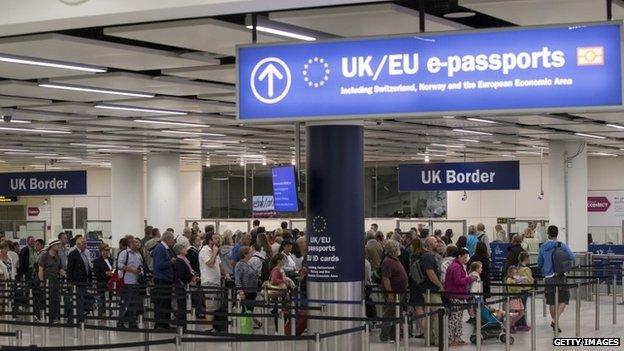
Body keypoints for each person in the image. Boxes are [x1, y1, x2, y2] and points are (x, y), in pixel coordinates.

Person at [538, 225, 575, 333]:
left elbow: (540, 262)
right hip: (561, 275)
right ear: (557, 233)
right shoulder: (562, 245)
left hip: (548, 277)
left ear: (548, 234)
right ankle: (555, 321)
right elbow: (572, 257)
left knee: (551, 302)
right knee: (564, 299)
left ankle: (555, 322)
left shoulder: (543, 247)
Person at [443, 248, 478, 346]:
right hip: (456, 295)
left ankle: (457, 337)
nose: (466, 259)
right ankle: (450, 338)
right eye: (465, 257)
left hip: (459, 294)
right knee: (455, 318)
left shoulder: (457, 265)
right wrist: (469, 279)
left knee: (458, 318)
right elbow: (458, 281)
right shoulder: (456, 267)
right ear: (459, 256)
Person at [379, 239, 408, 343]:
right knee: (389, 314)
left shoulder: (395, 259)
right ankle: (384, 335)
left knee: (397, 314)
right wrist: (390, 293)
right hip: (393, 293)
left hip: (400, 292)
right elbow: (386, 278)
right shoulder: (387, 261)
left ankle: (393, 335)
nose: (399, 249)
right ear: (393, 249)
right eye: (397, 247)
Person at [420, 236, 443, 345]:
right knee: (437, 315)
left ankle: (431, 339)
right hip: (431, 290)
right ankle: (437, 339)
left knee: (432, 316)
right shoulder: (428, 257)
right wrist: (440, 285)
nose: (437, 242)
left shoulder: (430, 256)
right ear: (428, 244)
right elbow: (430, 273)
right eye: (434, 241)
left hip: (431, 289)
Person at [117, 236, 143, 329]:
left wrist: (140, 270)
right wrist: (131, 269)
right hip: (127, 281)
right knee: (125, 303)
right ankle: (120, 322)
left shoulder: (138, 254)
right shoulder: (124, 253)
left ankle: (132, 322)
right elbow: (119, 265)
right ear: (130, 244)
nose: (138, 244)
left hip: (136, 282)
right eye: (135, 242)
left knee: (134, 303)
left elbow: (141, 265)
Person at [152, 231, 175, 329]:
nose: (173, 242)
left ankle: (165, 323)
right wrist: (171, 262)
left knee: (166, 302)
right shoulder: (160, 248)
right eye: (172, 240)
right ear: (168, 239)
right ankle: (160, 324)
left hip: (166, 279)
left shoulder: (165, 248)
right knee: (161, 302)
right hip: (161, 279)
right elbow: (159, 265)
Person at [199, 234, 222, 332]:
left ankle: (214, 326)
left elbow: (219, 264)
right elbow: (210, 264)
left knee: (215, 305)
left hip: (216, 281)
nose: (218, 240)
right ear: (209, 240)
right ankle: (209, 327)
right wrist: (215, 252)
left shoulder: (214, 251)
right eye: (215, 238)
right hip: (208, 281)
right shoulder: (204, 251)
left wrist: (226, 274)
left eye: (218, 238)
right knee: (210, 305)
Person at [67, 236, 92, 322]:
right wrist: (70, 282)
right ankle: (77, 319)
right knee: (78, 301)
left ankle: (77, 318)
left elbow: (87, 267)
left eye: (86, 243)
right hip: (76, 282)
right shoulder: (73, 254)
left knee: (80, 300)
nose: (86, 245)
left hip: (83, 282)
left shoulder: (84, 253)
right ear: (78, 244)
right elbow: (69, 269)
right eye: (84, 243)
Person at [38, 239, 64, 322]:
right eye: (57, 245)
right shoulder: (45, 256)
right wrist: (41, 282)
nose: (59, 246)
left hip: (55, 281)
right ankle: (46, 316)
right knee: (47, 299)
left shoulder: (58, 256)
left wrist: (66, 275)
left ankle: (54, 317)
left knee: (55, 299)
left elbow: (60, 269)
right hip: (47, 281)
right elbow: (40, 270)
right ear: (52, 246)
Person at [173, 242, 195, 327]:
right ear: (180, 250)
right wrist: (191, 276)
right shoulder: (180, 260)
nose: (186, 249)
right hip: (181, 285)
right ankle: (181, 324)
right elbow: (181, 275)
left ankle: (183, 323)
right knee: (182, 305)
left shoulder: (183, 259)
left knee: (184, 304)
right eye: (184, 248)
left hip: (183, 284)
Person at [235, 246, 260, 318]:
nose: (252, 253)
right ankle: (244, 325)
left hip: (252, 290)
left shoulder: (249, 263)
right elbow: (238, 279)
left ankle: (249, 323)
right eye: (250, 252)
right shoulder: (239, 264)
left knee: (250, 309)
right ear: (245, 254)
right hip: (246, 291)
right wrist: (240, 290)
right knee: (246, 309)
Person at [409, 238, 426, 338]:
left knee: (418, 308)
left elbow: (413, 272)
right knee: (424, 307)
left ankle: (424, 331)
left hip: (416, 285)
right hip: (424, 285)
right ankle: (426, 330)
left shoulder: (414, 256)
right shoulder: (425, 254)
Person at [514, 251, 534, 331]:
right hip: (525, 290)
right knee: (523, 307)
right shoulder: (526, 269)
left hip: (518, 290)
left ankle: (519, 323)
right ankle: (522, 324)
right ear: (526, 258)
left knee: (519, 307)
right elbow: (530, 280)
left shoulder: (517, 267)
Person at [93, 243, 114, 317]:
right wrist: (106, 273)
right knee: (103, 300)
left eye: (108, 250)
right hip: (102, 283)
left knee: (110, 299)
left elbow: (113, 269)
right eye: (106, 250)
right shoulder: (97, 261)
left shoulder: (111, 260)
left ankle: (106, 313)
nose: (108, 251)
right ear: (102, 251)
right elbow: (96, 273)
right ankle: (103, 315)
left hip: (110, 283)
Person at [505, 266, 526, 333]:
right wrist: (517, 283)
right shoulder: (509, 279)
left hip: (518, 298)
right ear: (510, 273)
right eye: (513, 273)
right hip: (512, 298)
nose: (515, 274)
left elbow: (520, 288)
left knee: (522, 313)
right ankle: (510, 326)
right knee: (512, 314)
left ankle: (512, 323)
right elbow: (512, 287)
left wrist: (522, 282)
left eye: (516, 273)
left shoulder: (517, 278)